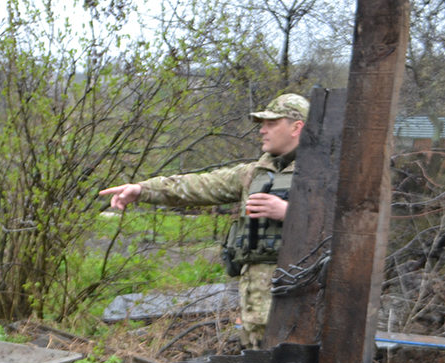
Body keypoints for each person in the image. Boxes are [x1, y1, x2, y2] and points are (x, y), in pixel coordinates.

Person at [99, 93, 309, 349]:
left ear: (296, 127)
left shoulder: (324, 174)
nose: (262, 130)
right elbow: (199, 185)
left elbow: (352, 230)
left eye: (271, 123)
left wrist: (290, 212)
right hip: (255, 309)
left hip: (300, 310)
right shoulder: (253, 173)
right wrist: (142, 190)